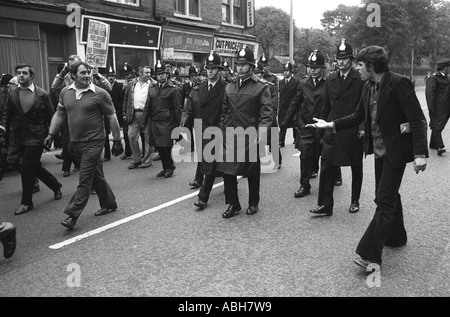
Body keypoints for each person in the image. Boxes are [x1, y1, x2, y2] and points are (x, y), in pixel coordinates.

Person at [308, 45, 428, 269]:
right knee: (386, 195)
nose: (357, 68)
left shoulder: (399, 83)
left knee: (383, 200)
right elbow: (357, 115)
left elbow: (418, 120)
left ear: (372, 66)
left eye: (360, 65)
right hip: (380, 151)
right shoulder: (368, 87)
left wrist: (420, 153)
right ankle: (397, 236)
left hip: (396, 150)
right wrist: (332, 124)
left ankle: (369, 253)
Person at [45, 61, 124, 230]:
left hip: (94, 143)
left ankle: (73, 215)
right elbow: (59, 114)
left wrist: (117, 141)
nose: (87, 75)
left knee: (85, 179)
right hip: (75, 143)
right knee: (96, 175)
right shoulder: (65, 92)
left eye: (89, 72)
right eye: (83, 73)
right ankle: (109, 203)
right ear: (73, 75)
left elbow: (112, 118)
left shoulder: (100, 93)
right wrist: (51, 134)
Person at [309, 40, 365, 217]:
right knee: (326, 165)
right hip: (332, 128)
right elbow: (326, 106)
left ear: (351, 59)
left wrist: (362, 127)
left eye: (345, 58)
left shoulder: (359, 78)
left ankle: (355, 199)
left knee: (356, 166)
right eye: (339, 58)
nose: (341, 62)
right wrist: (321, 128)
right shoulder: (331, 79)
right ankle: (325, 205)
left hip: (352, 128)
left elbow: (363, 108)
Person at [216, 46, 273, 218]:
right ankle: (233, 204)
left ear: (251, 66)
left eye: (244, 64)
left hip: (250, 135)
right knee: (228, 170)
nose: (240, 67)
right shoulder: (229, 86)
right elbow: (224, 111)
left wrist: (261, 135)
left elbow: (267, 114)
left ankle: (253, 202)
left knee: (252, 170)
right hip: (231, 135)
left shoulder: (261, 87)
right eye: (238, 64)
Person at [0, 64, 62, 215]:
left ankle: (26, 202)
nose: (21, 75)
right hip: (17, 137)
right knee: (17, 162)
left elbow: (51, 115)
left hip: (36, 137)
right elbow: (7, 114)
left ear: (31, 76)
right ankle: (55, 185)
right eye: (19, 73)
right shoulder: (12, 93)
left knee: (27, 167)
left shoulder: (42, 94)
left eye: (24, 73)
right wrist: (2, 130)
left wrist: (52, 135)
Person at [181, 51, 226, 209]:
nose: (211, 71)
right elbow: (193, 110)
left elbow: (228, 111)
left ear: (219, 70)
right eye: (208, 68)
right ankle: (224, 188)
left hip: (220, 130)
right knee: (215, 163)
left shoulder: (226, 89)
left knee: (214, 165)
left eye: (214, 68)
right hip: (205, 130)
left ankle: (203, 197)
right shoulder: (200, 89)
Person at [281, 50, 327, 198]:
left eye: (316, 67)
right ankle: (304, 185)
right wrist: (285, 122)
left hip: (323, 126)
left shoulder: (329, 84)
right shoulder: (303, 83)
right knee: (305, 155)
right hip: (306, 125)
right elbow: (295, 103)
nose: (312, 70)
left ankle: (333, 177)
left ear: (323, 68)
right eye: (310, 67)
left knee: (324, 155)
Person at [141, 61, 182, 178]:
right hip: (155, 122)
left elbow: (177, 109)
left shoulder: (173, 89)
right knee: (159, 147)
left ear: (167, 74)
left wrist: (179, 126)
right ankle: (165, 168)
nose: (160, 76)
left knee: (166, 147)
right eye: (158, 74)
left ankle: (170, 166)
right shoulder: (153, 88)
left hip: (167, 123)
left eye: (163, 74)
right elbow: (147, 106)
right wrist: (143, 122)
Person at [122, 65, 157, 169]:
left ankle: (147, 160)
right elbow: (126, 99)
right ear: (140, 73)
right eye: (146, 73)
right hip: (134, 113)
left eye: (150, 73)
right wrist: (124, 113)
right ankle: (136, 160)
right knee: (131, 136)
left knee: (148, 137)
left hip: (148, 114)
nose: (149, 75)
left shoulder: (154, 84)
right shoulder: (131, 84)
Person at [255, 62, 282, 170]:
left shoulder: (268, 86)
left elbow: (274, 101)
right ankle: (252, 165)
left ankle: (277, 160)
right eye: (255, 73)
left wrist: (272, 115)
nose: (257, 76)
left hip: (268, 115)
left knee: (273, 140)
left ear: (262, 74)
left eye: (258, 74)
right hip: (256, 116)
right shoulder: (251, 87)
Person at [425, 58, 450, 156]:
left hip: (447, 106)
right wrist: (431, 109)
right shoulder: (433, 79)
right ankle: (440, 146)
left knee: (438, 125)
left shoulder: (446, 77)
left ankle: (433, 144)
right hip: (439, 107)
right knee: (437, 126)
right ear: (445, 68)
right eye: (448, 67)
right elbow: (429, 95)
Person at [278, 62, 299, 148]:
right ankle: (281, 141)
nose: (285, 73)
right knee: (283, 124)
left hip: (292, 107)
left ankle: (296, 139)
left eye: (287, 71)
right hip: (283, 107)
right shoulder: (281, 82)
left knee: (294, 124)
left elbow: (297, 95)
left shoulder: (296, 82)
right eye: (284, 71)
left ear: (291, 72)